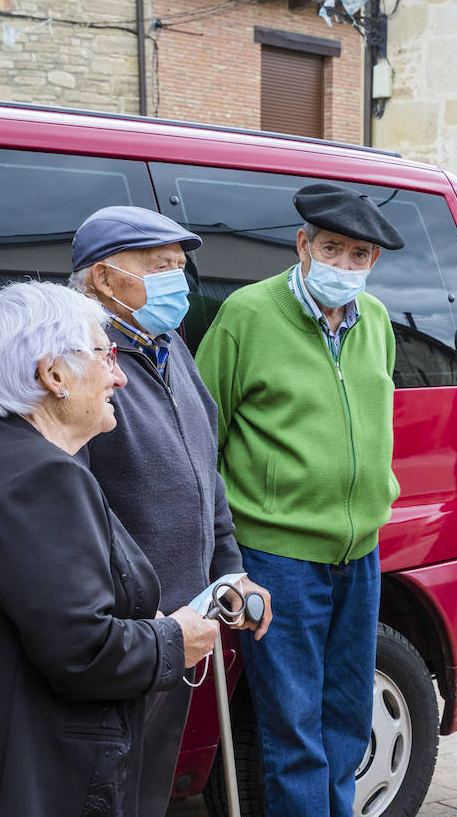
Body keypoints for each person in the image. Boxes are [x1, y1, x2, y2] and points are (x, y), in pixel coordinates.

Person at [0, 281, 219, 817]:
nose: (118, 374)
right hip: (23, 778)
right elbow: (84, 652)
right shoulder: (42, 477)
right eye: (106, 353)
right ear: (53, 376)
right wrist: (174, 639)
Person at [195, 183, 405, 817]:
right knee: (293, 732)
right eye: (332, 249)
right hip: (277, 557)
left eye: (360, 254)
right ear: (302, 245)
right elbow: (204, 435)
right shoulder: (247, 315)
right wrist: (224, 551)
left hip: (358, 554)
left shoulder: (378, 323)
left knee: (346, 718)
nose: (345, 265)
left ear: (374, 262)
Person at [69, 206, 271, 815]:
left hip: (182, 623)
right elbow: (74, 508)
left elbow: (204, 470)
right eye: (159, 268)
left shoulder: (168, 347)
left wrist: (229, 570)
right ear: (104, 280)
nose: (177, 283)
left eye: (180, 268)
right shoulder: (79, 366)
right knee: (106, 785)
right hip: (126, 629)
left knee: (153, 779)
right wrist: (137, 611)